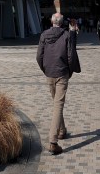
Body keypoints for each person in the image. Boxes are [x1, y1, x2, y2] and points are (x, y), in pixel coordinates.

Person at [36, 13, 80, 155]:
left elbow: (39, 56)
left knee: (56, 103)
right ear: (61, 23)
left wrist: (45, 69)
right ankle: (53, 141)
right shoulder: (66, 35)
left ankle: (62, 130)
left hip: (49, 73)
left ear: (51, 21)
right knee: (58, 105)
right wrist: (70, 72)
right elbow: (70, 56)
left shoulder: (44, 35)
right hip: (62, 73)